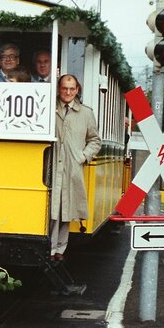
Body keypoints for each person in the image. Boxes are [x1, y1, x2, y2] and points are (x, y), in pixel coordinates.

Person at [49, 74, 101, 261]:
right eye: (64, 88)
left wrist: (83, 156)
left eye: (72, 89)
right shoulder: (49, 107)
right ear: (59, 89)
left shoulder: (86, 113)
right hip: (51, 167)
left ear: (77, 90)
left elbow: (95, 140)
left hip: (72, 168)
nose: (68, 92)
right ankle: (49, 247)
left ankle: (60, 250)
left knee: (66, 209)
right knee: (51, 209)